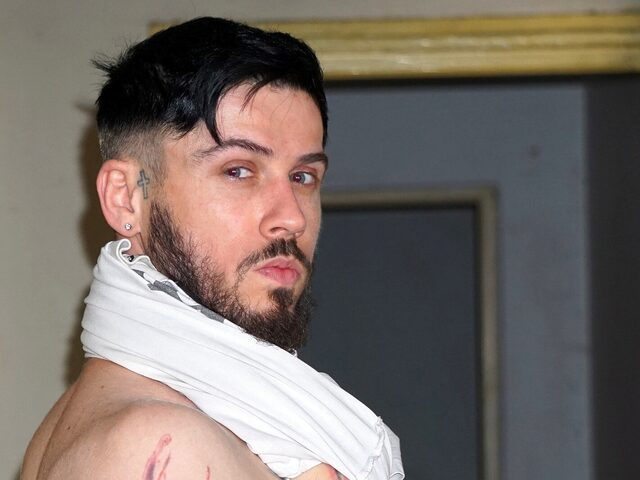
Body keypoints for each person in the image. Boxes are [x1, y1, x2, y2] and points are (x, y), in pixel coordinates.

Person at [21, 17, 403, 480]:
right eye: (238, 171)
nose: (292, 218)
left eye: (303, 177)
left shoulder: (94, 415)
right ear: (126, 198)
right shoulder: (162, 444)